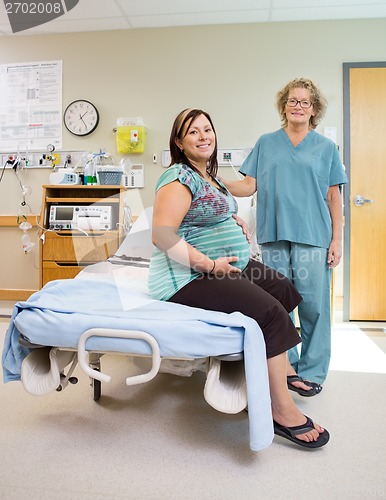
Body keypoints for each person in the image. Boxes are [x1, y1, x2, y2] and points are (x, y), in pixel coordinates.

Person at [148, 108, 329, 448]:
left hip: (227, 264)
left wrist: (233, 221)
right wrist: (209, 265)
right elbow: (162, 236)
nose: (204, 137)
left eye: (207, 129)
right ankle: (280, 410)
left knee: (283, 289)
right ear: (179, 142)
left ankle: (282, 371)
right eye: (193, 133)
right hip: (187, 277)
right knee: (270, 313)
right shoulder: (178, 178)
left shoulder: (208, 175)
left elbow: (211, 211)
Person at [223, 78, 348, 395]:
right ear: (284, 106)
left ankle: (314, 372)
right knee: (280, 304)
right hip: (274, 233)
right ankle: (288, 368)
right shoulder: (266, 143)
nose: (298, 106)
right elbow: (248, 186)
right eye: (292, 101)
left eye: (305, 102)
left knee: (314, 307)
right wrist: (211, 181)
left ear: (314, 109)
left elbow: (334, 197)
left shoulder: (326, 148)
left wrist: (337, 240)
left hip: (313, 235)